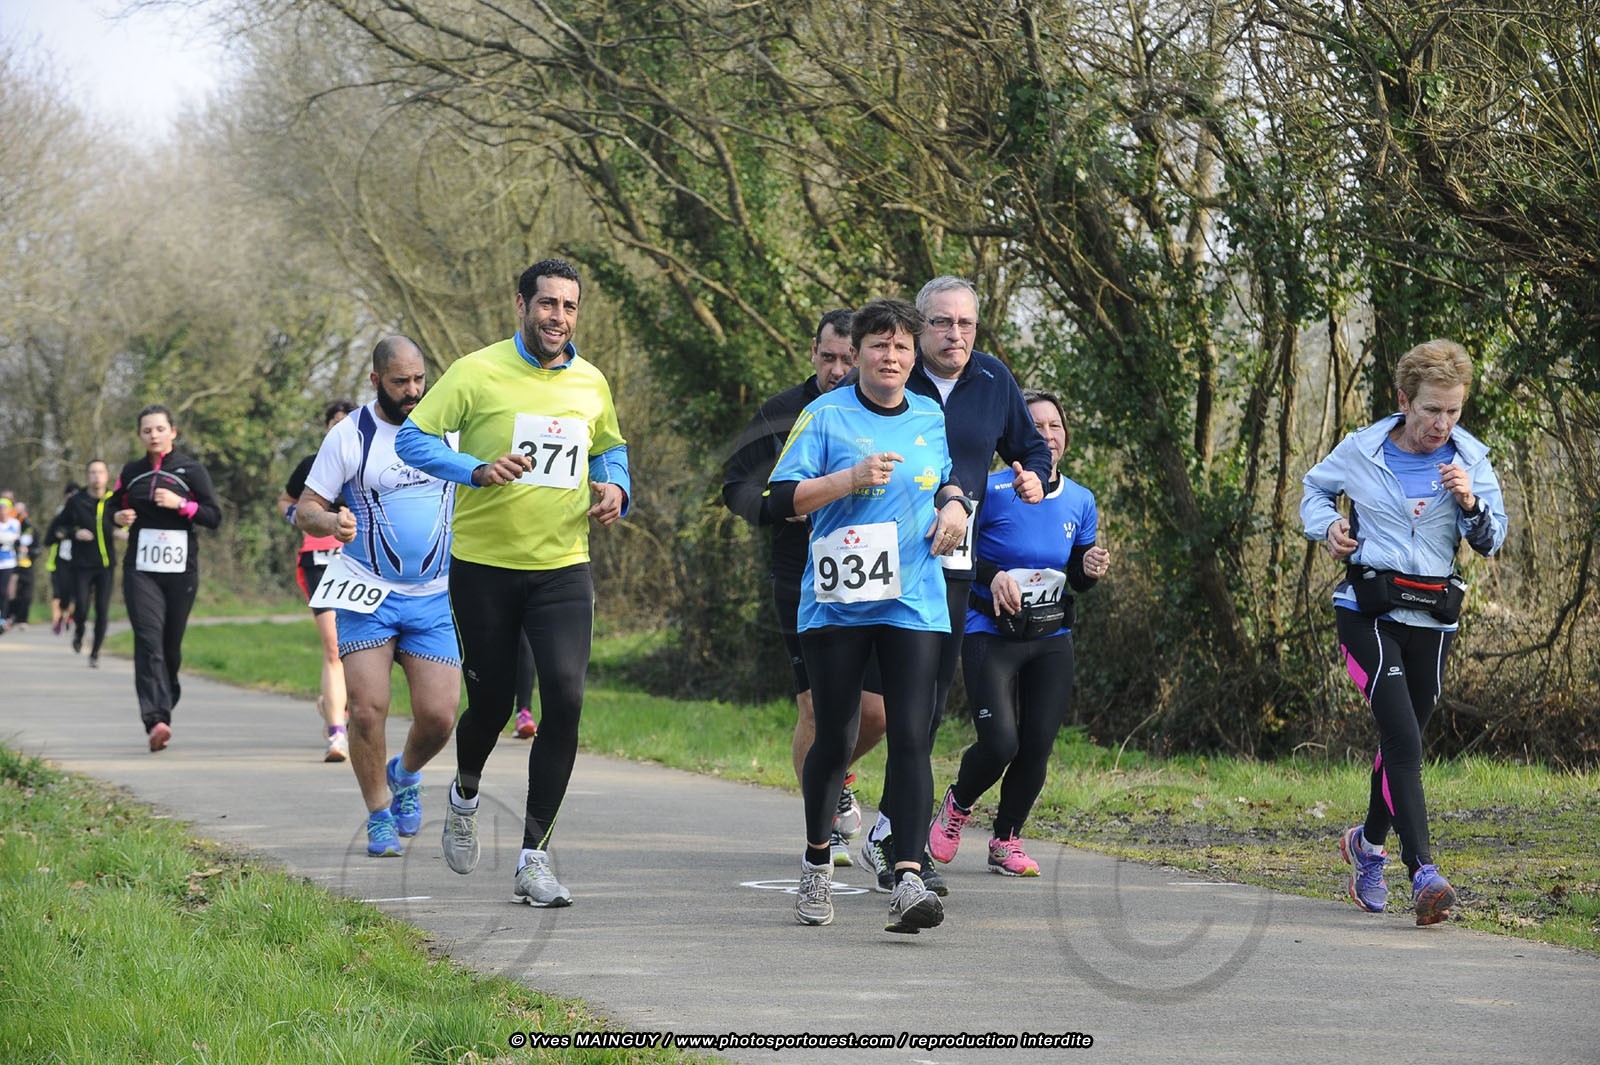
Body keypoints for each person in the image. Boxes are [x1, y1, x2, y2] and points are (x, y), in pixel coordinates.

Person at [396, 257, 631, 908]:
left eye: (570, 307)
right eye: (548, 303)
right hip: (484, 566)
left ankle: (534, 857)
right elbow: (413, 441)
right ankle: (465, 792)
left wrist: (617, 486)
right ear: (522, 304)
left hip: (563, 564)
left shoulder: (591, 380)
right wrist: (474, 468)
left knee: (566, 697)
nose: (559, 317)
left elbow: (610, 445)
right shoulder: (475, 371)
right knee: (494, 703)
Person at [768, 297, 971, 933]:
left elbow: (945, 478)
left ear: (914, 358)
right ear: (857, 353)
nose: (891, 356)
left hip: (914, 600)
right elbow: (781, 498)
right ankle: (816, 862)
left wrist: (956, 504)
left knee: (912, 736)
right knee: (835, 736)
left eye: (902, 347)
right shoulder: (824, 414)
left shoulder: (929, 414)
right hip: (839, 604)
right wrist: (849, 479)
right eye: (879, 345)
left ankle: (907, 875)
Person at [1300, 338, 1507, 926]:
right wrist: (1329, 527)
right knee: (1403, 739)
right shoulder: (1362, 451)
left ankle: (1367, 846)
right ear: (1403, 401)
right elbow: (1313, 490)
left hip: (1433, 618)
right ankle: (1424, 873)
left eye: (1453, 411)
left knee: (1403, 742)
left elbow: (1492, 540)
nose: (1443, 423)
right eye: (1431, 410)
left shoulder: (1471, 459)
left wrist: (1470, 502)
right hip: (1367, 612)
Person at [861, 276, 1053, 895]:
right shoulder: (898, 373)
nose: (956, 335)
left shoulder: (994, 379)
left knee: (928, 704)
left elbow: (1031, 448)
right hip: (886, 557)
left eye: (966, 323)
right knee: (880, 705)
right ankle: (857, 822)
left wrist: (1034, 478)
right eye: (943, 323)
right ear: (921, 326)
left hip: (951, 564)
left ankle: (896, 837)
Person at [722, 308, 887, 865]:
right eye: (828, 357)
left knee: (878, 713)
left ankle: (832, 771)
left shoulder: (885, 408)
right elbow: (737, 488)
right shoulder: (781, 412)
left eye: (848, 358)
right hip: (800, 574)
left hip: (872, 575)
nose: (838, 370)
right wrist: (779, 507)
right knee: (816, 708)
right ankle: (825, 823)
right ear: (812, 353)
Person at [927, 389, 1110, 878]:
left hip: (1050, 637)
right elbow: (959, 554)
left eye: (1055, 426)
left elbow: (1078, 575)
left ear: (1066, 436)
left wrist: (1090, 567)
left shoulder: (1081, 500)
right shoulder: (989, 490)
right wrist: (993, 577)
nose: (1046, 436)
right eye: (1036, 427)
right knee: (1000, 743)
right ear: (1017, 437)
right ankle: (957, 806)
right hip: (990, 633)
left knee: (1037, 745)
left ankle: (1006, 839)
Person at [297, 337, 459, 858]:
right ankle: (378, 815)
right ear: (375, 381)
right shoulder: (350, 434)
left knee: (439, 717)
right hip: (367, 591)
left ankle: (405, 773)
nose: (413, 391)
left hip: (435, 595)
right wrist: (331, 521)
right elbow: (306, 508)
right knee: (367, 711)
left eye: (419, 379)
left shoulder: (449, 427)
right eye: (400, 382)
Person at [112, 405, 223, 751]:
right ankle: (156, 720)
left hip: (180, 570)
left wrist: (181, 504)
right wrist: (118, 517)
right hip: (140, 569)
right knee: (148, 642)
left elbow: (214, 516)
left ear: (173, 432)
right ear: (140, 435)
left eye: (160, 429)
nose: (154, 435)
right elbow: (112, 508)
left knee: (169, 648)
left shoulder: (191, 470)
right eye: (147, 430)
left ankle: (165, 697)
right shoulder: (131, 471)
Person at [280, 399, 358, 763]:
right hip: (319, 559)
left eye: (346, 421)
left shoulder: (368, 462)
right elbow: (286, 501)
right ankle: (337, 733)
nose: (338, 428)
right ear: (326, 429)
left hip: (360, 561)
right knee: (333, 646)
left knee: (360, 647)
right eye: (333, 422)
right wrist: (299, 517)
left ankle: (335, 701)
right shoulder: (311, 465)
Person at [52, 460, 119, 666]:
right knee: (81, 607)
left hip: (106, 565)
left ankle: (95, 652)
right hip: (81, 565)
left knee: (102, 610)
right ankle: (79, 631)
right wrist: (75, 533)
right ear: (87, 476)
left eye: (100, 472)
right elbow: (59, 528)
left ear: (107, 475)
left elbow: (125, 521)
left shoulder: (114, 500)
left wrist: (123, 531)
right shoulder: (76, 501)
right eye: (92, 472)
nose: (96, 476)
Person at [45, 484, 79, 636]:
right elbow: (48, 540)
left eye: (75, 494)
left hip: (78, 561)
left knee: (75, 595)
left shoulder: (83, 515)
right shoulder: (60, 515)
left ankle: (69, 616)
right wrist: (58, 535)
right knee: (59, 594)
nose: (72, 497)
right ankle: (57, 620)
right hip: (59, 561)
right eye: (69, 494)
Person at [6, 501, 38, 628]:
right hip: (11, 566)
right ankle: (9, 616)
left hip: (27, 566)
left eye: (21, 512)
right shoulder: (8, 527)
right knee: (10, 593)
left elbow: (37, 548)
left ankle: (22, 619)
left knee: (27, 595)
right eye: (16, 511)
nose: (18, 515)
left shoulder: (31, 529)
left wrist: (29, 551)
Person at [0, 496, 18, 634]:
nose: (2, 511)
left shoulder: (14, 523)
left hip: (8, 563)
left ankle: (3, 618)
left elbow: (15, 538)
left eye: (5, 508)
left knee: (3, 591)